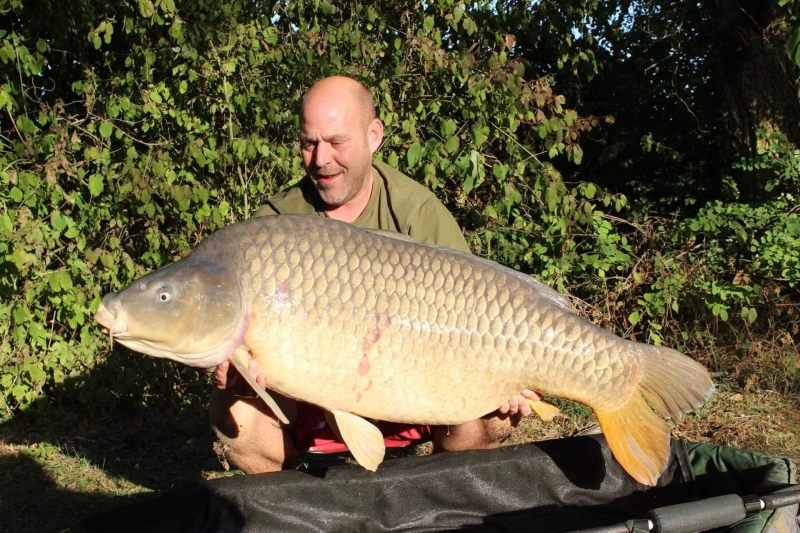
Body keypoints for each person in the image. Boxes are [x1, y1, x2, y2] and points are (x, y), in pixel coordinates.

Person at [209, 76, 539, 474]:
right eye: (309, 143)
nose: (321, 159)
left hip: (416, 391)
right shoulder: (276, 228)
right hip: (312, 405)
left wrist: (512, 376)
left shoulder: (417, 213)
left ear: (373, 135)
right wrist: (236, 369)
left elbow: (478, 317)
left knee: (492, 416)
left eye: (336, 141)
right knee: (236, 417)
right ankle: (295, 507)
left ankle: (439, 497)